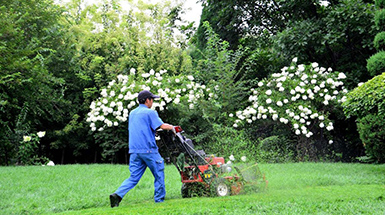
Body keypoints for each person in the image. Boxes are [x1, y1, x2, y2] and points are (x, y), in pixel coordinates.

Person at [109, 90, 175, 208]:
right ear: (147, 100)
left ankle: (117, 195)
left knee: (133, 177)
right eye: (152, 99)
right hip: (149, 150)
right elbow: (162, 126)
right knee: (159, 173)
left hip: (134, 151)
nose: (153, 102)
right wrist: (173, 127)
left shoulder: (132, 113)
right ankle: (159, 200)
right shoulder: (150, 113)